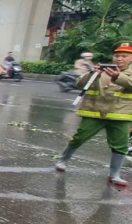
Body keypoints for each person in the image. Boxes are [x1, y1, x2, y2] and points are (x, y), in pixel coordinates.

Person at [56, 43, 132, 186]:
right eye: (117, 55)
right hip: (94, 112)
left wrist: (117, 76)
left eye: (124, 56)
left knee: (120, 145)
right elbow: (79, 84)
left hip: (121, 115)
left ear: (130, 58)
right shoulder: (102, 70)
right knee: (79, 138)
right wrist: (92, 73)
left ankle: (114, 174)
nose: (120, 59)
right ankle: (63, 160)